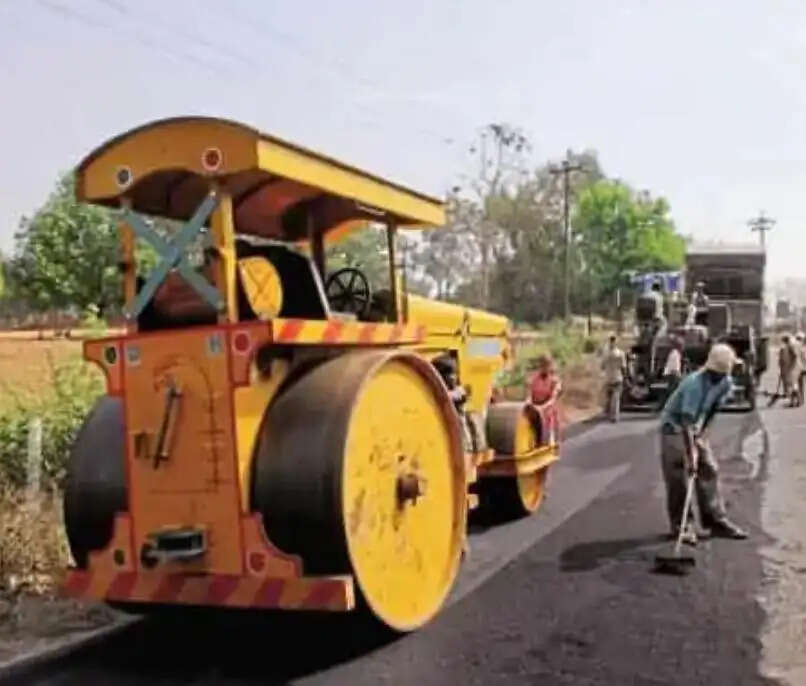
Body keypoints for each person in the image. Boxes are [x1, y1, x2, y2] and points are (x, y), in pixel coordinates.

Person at [659, 343, 748, 544]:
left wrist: (701, 436)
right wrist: (691, 455)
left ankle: (716, 520)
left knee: (709, 469)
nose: (721, 376)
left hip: (693, 428)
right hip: (673, 428)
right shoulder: (694, 385)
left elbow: (711, 411)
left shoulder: (725, 383)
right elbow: (685, 422)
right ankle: (682, 526)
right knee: (680, 476)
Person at [601, 334, 627, 422]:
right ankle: (614, 416)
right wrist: (625, 377)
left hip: (608, 377)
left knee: (608, 396)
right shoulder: (620, 353)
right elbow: (623, 367)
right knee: (616, 398)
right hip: (617, 377)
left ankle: (607, 413)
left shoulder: (605, 353)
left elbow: (602, 366)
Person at [658, 335, 684, 410]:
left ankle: (665, 405)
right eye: (681, 345)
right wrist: (678, 376)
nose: (683, 347)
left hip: (672, 374)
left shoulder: (674, 353)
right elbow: (674, 366)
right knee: (673, 391)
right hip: (673, 375)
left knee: (671, 391)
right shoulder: (675, 354)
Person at [779, 335, 799, 407]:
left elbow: (795, 355)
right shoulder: (788, 346)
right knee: (793, 385)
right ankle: (795, 401)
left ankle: (793, 402)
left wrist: (792, 365)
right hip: (789, 368)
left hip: (790, 368)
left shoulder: (790, 346)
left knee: (790, 385)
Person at [796, 332, 806, 405]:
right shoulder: (801, 347)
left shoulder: (800, 348)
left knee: (800, 385)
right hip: (801, 368)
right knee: (800, 385)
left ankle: (800, 400)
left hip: (800, 368)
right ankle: (800, 400)